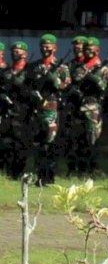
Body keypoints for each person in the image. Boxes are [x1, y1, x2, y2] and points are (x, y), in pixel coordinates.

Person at [26, 33, 72, 186]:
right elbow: (27, 86)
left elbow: (66, 87)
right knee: (38, 144)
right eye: (43, 45)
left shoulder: (62, 67)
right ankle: (40, 177)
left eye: (48, 45)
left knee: (50, 144)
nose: (45, 48)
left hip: (52, 110)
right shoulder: (34, 66)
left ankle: (49, 178)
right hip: (38, 109)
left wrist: (55, 80)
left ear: (55, 47)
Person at [66, 37, 108, 177]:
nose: (88, 51)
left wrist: (95, 79)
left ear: (98, 50)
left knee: (92, 139)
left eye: (91, 49)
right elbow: (70, 83)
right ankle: (77, 169)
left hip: (93, 108)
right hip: (77, 107)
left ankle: (91, 169)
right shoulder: (77, 67)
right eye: (85, 49)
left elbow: (106, 89)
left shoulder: (104, 69)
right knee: (77, 138)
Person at [0, 41, 32, 179]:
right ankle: (6, 171)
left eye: (18, 51)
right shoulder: (6, 71)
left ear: (25, 54)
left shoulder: (29, 70)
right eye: (13, 51)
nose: (15, 53)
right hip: (8, 112)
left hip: (23, 112)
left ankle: (17, 173)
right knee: (6, 143)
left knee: (20, 144)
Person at [62, 36, 88, 174]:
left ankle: (84, 170)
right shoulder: (70, 65)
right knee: (71, 138)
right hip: (72, 106)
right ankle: (71, 169)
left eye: (81, 45)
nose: (78, 48)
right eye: (75, 45)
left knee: (86, 139)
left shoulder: (92, 65)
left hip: (87, 107)